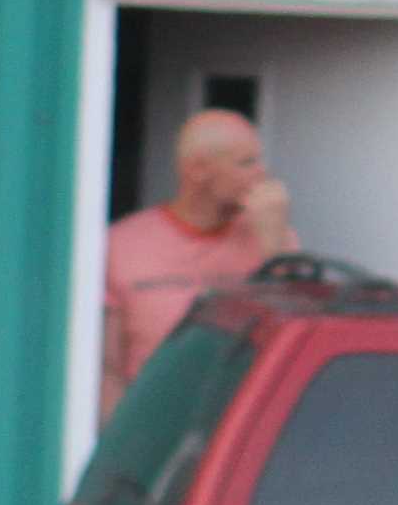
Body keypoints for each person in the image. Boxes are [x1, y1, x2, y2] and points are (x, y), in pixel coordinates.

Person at [100, 105, 297, 400]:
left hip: (241, 414)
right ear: (198, 170)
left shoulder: (273, 239)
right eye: (246, 163)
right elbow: (107, 367)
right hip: (155, 416)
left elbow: (297, 338)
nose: (262, 173)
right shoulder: (121, 243)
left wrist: (275, 244)